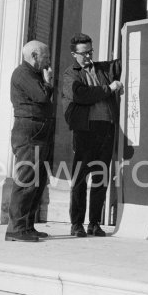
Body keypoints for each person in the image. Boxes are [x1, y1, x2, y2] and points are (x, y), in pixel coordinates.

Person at [61, 33, 123, 237]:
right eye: (84, 53)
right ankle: (76, 224)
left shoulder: (104, 68)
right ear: (74, 54)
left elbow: (125, 61)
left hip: (107, 128)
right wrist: (109, 88)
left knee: (101, 177)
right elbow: (82, 95)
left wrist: (125, 35)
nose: (88, 57)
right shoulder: (71, 74)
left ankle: (94, 223)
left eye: (90, 52)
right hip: (85, 131)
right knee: (80, 178)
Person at [5, 40, 54, 242]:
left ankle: (27, 226)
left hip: (38, 134)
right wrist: (48, 82)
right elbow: (41, 97)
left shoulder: (33, 74)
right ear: (34, 56)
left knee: (38, 181)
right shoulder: (23, 73)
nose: (49, 61)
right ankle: (15, 229)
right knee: (26, 181)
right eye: (46, 56)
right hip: (28, 134)